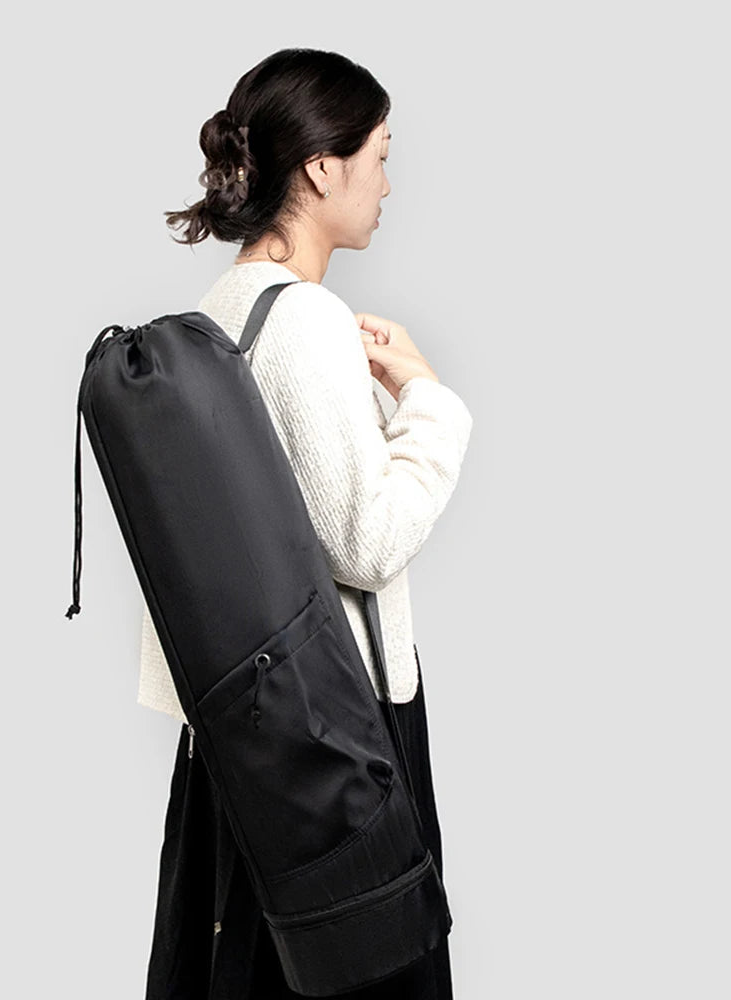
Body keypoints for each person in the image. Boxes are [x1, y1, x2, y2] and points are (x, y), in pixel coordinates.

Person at [141, 48, 473, 999]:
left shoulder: (217, 312)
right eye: (379, 156)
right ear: (323, 168)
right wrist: (427, 400)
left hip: (239, 736)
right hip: (340, 741)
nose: (386, 183)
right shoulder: (307, 322)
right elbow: (365, 543)